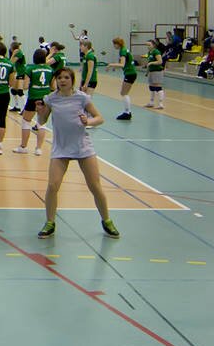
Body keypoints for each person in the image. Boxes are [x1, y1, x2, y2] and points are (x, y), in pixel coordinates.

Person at [35, 68, 119, 240]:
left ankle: (107, 220)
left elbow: (99, 118)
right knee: (52, 186)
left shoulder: (82, 98)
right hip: (61, 148)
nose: (62, 80)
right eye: (59, 78)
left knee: (95, 186)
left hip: (83, 147)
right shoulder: (50, 99)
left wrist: (88, 121)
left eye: (66, 77)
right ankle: (50, 222)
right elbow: (42, 121)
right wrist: (40, 112)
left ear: (72, 80)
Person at [14, 49, 53, 155]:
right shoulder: (50, 69)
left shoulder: (30, 69)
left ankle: (23, 147)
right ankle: (38, 149)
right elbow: (53, 86)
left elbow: (25, 86)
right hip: (45, 99)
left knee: (26, 121)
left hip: (33, 98)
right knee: (42, 124)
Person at [113, 37, 138, 120]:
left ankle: (127, 112)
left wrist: (111, 65)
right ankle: (127, 111)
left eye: (114, 44)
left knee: (124, 93)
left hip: (130, 73)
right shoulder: (124, 50)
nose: (114, 46)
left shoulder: (123, 51)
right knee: (123, 93)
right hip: (130, 73)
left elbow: (122, 64)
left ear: (118, 44)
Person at [143, 38, 166, 109]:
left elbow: (160, 61)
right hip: (151, 71)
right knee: (151, 87)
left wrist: (151, 63)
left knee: (158, 87)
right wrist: (147, 72)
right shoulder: (150, 52)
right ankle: (151, 102)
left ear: (153, 45)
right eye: (147, 45)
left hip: (157, 71)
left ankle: (161, 103)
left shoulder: (156, 52)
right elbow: (148, 63)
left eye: (149, 45)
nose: (148, 46)